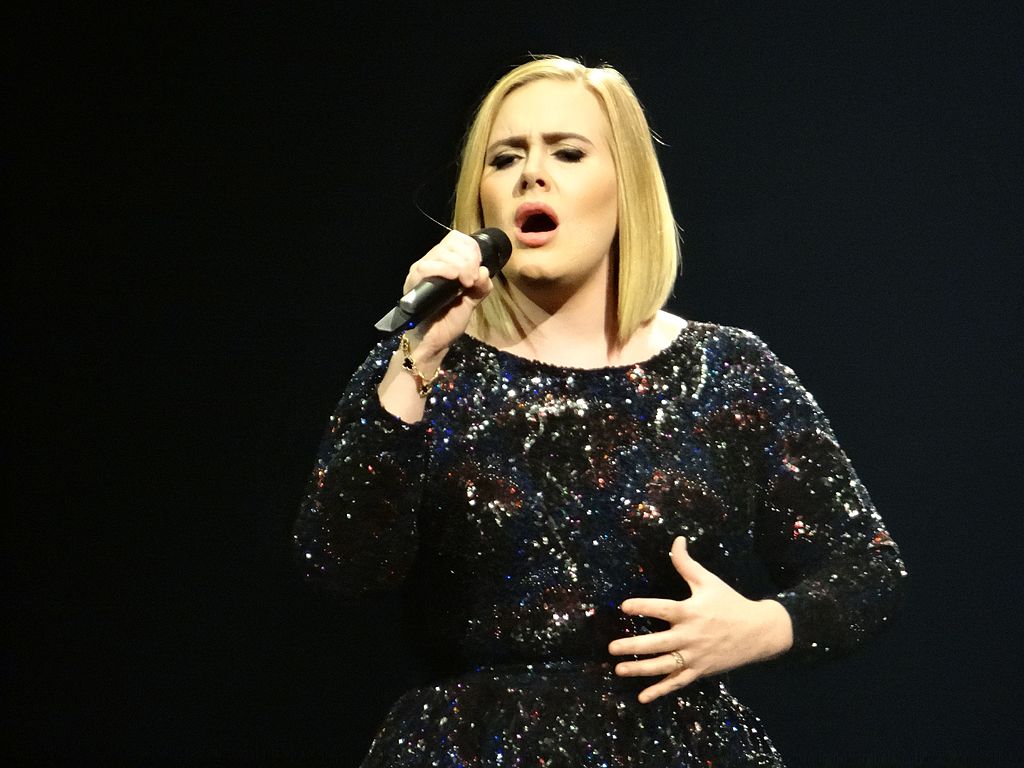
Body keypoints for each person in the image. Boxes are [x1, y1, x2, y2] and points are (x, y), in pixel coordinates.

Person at [294, 56, 906, 767]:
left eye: (567, 151)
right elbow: (337, 564)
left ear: (627, 190)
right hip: (467, 748)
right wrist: (417, 358)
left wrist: (764, 625)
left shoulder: (728, 371)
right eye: (506, 157)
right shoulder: (429, 364)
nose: (532, 173)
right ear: (484, 200)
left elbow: (868, 568)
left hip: (674, 744)